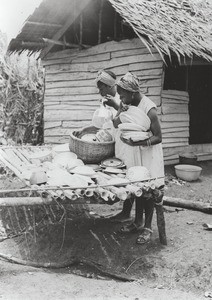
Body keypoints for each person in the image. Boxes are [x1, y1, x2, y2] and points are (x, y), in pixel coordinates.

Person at [111, 72, 165, 244]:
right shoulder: (128, 103)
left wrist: (139, 143)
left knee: (149, 190)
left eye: (122, 95)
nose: (121, 97)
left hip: (149, 153)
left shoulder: (149, 109)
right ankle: (137, 222)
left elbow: (158, 137)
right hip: (137, 152)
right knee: (138, 188)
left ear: (132, 93)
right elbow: (115, 123)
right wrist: (121, 108)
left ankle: (147, 228)